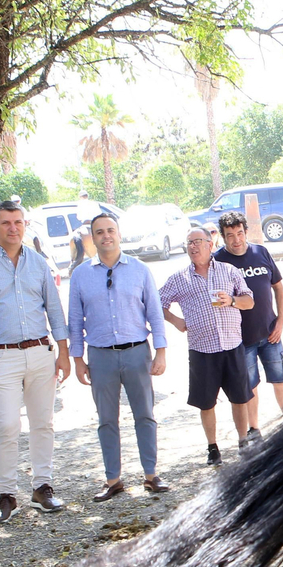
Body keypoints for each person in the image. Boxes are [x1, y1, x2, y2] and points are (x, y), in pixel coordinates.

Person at [0, 200, 71, 523]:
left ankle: (42, 487)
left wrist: (62, 352)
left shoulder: (37, 263)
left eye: (18, 222)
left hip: (40, 352)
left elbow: (54, 310)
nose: (13, 228)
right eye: (6, 222)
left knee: (43, 423)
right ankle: (6, 494)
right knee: (6, 424)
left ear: (25, 225)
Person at [68, 212, 170, 500]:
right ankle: (113, 479)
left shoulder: (139, 270)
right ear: (92, 237)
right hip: (100, 357)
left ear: (119, 233)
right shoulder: (81, 275)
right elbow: (75, 321)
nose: (106, 236)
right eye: (99, 232)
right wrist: (78, 360)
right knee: (106, 420)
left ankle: (151, 475)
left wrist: (160, 352)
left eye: (110, 230)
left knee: (145, 415)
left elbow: (154, 313)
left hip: (138, 353)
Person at [159, 226, 254, 466]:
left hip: (232, 345)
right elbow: (156, 302)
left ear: (209, 245)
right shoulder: (179, 278)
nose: (193, 246)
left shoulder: (228, 270)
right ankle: (212, 447)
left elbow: (249, 301)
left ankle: (243, 441)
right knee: (206, 402)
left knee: (240, 398)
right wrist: (176, 321)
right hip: (202, 350)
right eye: (189, 242)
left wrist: (231, 300)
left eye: (197, 241)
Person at [214, 212, 283, 444]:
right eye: (230, 236)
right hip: (240, 338)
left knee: (281, 378)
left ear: (246, 232)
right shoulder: (218, 260)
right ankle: (254, 430)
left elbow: (278, 288)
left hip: (271, 332)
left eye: (240, 233)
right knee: (250, 386)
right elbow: (216, 300)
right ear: (223, 238)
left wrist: (280, 321)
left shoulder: (261, 252)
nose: (236, 240)